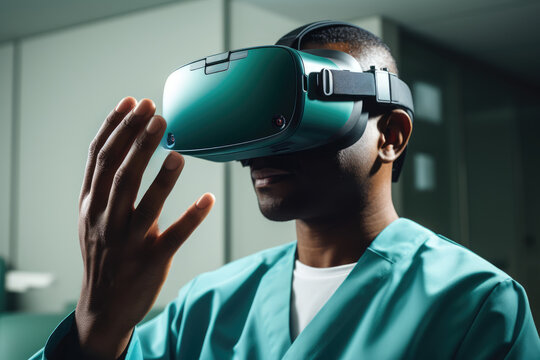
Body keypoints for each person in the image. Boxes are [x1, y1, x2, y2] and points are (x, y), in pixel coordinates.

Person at [32, 23, 539, 360]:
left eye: (298, 114)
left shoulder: (477, 305)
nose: (265, 149)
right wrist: (97, 328)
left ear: (391, 136)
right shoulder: (207, 306)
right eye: (263, 119)